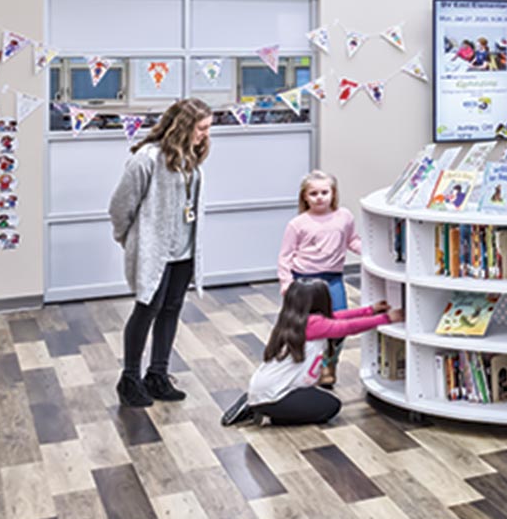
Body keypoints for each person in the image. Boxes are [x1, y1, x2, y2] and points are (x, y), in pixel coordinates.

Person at [107, 98, 212, 409]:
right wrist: (128, 238)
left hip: (183, 250)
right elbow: (119, 206)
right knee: (147, 309)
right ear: (183, 127)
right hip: (156, 250)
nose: (205, 135)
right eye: (201, 128)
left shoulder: (191, 157)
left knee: (171, 309)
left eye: (208, 129)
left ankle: (158, 374)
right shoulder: (147, 159)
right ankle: (129, 379)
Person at [221, 283, 393, 427]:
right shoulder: (314, 324)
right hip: (277, 394)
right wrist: (387, 319)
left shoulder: (293, 320)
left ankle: (257, 404)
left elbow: (337, 317)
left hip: (267, 386)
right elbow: (347, 327)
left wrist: (370, 310)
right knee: (331, 407)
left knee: (321, 399)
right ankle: (266, 413)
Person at [278, 170, 362, 389]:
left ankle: (329, 364)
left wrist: (370, 252)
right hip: (304, 281)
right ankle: (302, 368)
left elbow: (352, 240)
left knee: (340, 325)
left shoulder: (344, 217)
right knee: (303, 328)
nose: (319, 197)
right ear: (305, 197)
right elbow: (285, 257)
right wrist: (286, 283)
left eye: (324, 192)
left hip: (333, 279)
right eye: (313, 193)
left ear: (333, 194)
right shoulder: (298, 224)